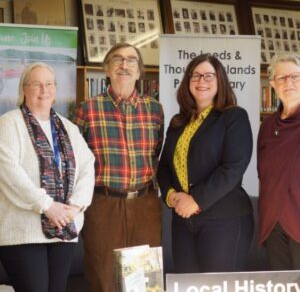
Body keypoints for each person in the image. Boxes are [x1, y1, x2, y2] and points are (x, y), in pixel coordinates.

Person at [73, 42, 164, 292]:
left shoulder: (155, 110)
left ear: (139, 71)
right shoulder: (87, 110)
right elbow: (77, 164)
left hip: (145, 204)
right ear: (107, 69)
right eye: (117, 59)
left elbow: (156, 153)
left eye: (131, 60)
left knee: (145, 282)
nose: (124, 64)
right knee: (104, 279)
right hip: (103, 205)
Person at [0, 62, 95, 292]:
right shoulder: (8, 123)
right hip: (23, 233)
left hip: (63, 229)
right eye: (37, 84)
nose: (44, 90)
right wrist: (46, 205)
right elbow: (8, 170)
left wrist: (75, 206)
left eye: (49, 84)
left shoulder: (68, 127)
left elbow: (87, 165)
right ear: (24, 89)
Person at [157, 53, 254, 273]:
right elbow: (163, 167)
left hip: (225, 220)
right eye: (196, 76)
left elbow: (233, 167)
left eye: (209, 76)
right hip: (182, 221)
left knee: (218, 287)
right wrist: (171, 196)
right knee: (186, 284)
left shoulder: (234, 117)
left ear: (220, 81)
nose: (202, 81)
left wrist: (196, 200)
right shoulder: (178, 122)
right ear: (188, 82)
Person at [258, 53, 300, 270]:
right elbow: (262, 174)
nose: (289, 82)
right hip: (274, 223)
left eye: (295, 76)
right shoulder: (266, 127)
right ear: (272, 83)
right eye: (281, 78)